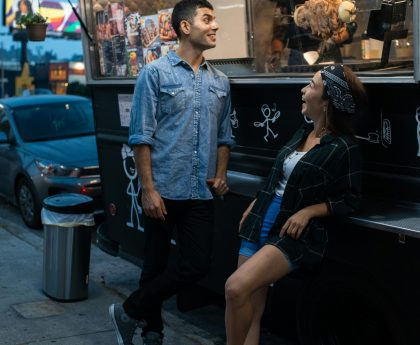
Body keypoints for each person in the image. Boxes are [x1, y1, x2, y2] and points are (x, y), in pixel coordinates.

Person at [108, 1, 235, 345]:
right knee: (154, 264)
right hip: (162, 189)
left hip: (200, 191)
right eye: (207, 19)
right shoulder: (155, 73)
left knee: (197, 264)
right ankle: (153, 331)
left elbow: (225, 137)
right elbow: (140, 136)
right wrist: (147, 189)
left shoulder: (221, 81)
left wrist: (221, 173)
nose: (215, 27)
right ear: (183, 27)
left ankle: (129, 310)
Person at [224, 64, 367, 345]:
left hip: (290, 230)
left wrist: (309, 210)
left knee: (235, 288)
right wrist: (256, 203)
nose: (303, 90)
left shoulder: (344, 148)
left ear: (327, 102)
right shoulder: (302, 132)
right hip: (262, 217)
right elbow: (277, 175)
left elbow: (350, 200)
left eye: (311, 86)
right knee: (250, 305)